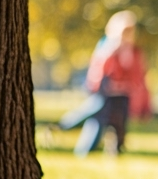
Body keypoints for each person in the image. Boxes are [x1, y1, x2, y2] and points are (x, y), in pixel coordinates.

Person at [60, 10, 152, 156]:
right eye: (124, 32)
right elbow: (99, 67)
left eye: (130, 32)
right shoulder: (107, 47)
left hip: (123, 93)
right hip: (106, 93)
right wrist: (113, 49)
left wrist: (138, 90)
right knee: (97, 120)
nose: (126, 36)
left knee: (120, 124)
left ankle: (115, 150)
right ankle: (73, 137)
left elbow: (138, 72)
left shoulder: (134, 51)